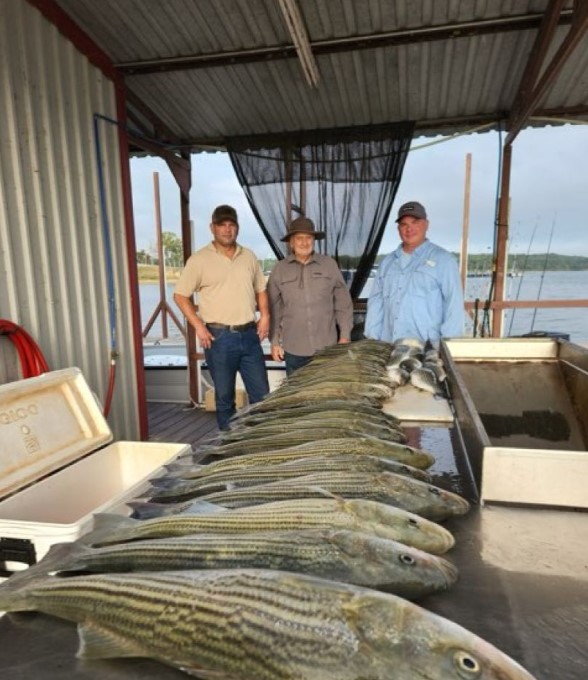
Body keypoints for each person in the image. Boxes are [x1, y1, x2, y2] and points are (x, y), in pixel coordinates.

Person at [173, 204, 270, 430]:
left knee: (263, 397)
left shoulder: (249, 256)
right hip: (218, 338)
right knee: (225, 398)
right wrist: (198, 325)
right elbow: (180, 295)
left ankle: (263, 445)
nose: (227, 230)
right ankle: (229, 445)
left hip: (250, 335)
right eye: (222, 225)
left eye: (231, 225)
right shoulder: (199, 260)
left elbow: (261, 289)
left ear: (237, 228)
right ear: (212, 228)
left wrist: (264, 315)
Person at [365, 201, 464, 345]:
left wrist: (446, 347)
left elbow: (454, 307)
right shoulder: (387, 263)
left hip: (427, 350)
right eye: (404, 224)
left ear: (426, 224)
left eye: (415, 222)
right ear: (398, 228)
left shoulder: (445, 261)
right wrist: (372, 341)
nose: (409, 229)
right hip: (389, 348)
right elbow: (376, 303)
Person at [268, 216, 354, 375]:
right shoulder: (279, 270)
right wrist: (274, 342)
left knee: (326, 397)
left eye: (308, 238)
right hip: (294, 349)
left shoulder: (329, 265)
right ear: (291, 242)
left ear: (314, 240)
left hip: (327, 348)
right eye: (299, 238)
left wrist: (345, 336)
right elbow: (274, 309)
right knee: (297, 398)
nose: (304, 242)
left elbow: (343, 304)